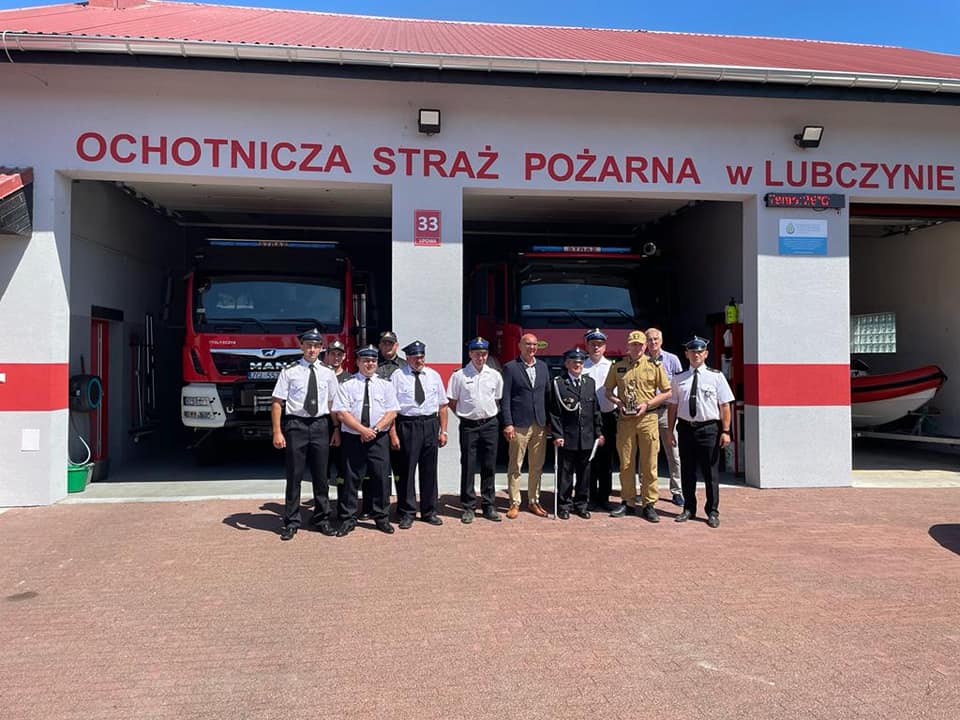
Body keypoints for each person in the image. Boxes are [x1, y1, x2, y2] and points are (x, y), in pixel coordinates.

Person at [270, 328, 341, 541]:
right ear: (301, 346)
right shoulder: (289, 371)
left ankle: (322, 519)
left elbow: (333, 403)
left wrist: (336, 428)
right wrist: (277, 432)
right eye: (308, 345)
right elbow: (277, 402)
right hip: (296, 425)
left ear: (321, 348)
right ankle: (291, 521)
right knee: (295, 475)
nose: (312, 350)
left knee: (321, 476)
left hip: (320, 425)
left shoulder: (327, 372)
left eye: (316, 346)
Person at [666, 335, 734, 529]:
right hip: (686, 428)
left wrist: (726, 431)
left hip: (709, 429)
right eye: (692, 352)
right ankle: (689, 508)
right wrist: (670, 431)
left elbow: (725, 405)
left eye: (699, 352)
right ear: (686, 354)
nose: (696, 355)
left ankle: (712, 511)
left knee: (710, 473)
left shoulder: (716, 376)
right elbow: (673, 406)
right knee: (687, 472)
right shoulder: (679, 378)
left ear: (706, 354)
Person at [604, 330, 672, 522]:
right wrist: (619, 403)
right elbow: (608, 391)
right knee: (626, 463)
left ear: (645, 346)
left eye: (640, 345)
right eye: (633, 344)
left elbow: (667, 392)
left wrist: (647, 405)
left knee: (649, 463)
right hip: (625, 420)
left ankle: (649, 504)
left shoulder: (654, 365)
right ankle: (628, 502)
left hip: (648, 419)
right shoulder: (618, 366)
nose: (637, 348)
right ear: (628, 345)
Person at [332, 345, 400, 536]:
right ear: (358, 362)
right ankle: (348, 519)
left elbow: (392, 412)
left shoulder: (386, 385)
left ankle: (381, 518)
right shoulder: (347, 385)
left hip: (378, 438)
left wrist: (374, 430)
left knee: (380, 478)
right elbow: (342, 413)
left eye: (373, 361)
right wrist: (362, 430)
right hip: (353, 438)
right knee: (351, 479)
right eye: (365, 361)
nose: (369, 364)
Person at [389, 340, 449, 528]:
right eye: (415, 357)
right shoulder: (398, 376)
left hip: (430, 425)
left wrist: (443, 431)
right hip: (407, 425)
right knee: (406, 470)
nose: (419, 360)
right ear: (407, 358)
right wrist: (393, 434)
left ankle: (429, 511)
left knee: (429, 470)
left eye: (422, 357)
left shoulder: (433, 376)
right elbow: (391, 408)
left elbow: (443, 406)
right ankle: (407, 512)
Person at [446, 337, 504, 524]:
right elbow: (452, 401)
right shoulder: (460, 375)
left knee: (489, 465)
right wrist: (464, 415)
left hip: (490, 424)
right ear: (470, 354)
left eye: (484, 354)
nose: (481, 357)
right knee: (468, 465)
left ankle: (489, 505)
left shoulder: (494, 375)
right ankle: (468, 506)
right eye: (477, 354)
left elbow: (497, 398)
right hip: (469, 426)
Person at [549, 347, 604, 519]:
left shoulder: (589, 383)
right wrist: (557, 435)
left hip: (586, 437)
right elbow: (555, 413)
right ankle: (564, 505)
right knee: (565, 473)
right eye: (574, 362)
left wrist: (598, 432)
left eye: (580, 362)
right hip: (568, 436)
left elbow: (595, 410)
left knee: (584, 474)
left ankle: (581, 504)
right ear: (567, 364)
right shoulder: (559, 383)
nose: (577, 365)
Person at [500, 333, 550, 519]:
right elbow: (505, 398)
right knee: (516, 465)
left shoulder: (543, 367)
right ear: (520, 346)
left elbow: (547, 395)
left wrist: (549, 422)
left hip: (540, 424)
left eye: (535, 344)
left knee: (537, 465)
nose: (532, 347)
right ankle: (514, 502)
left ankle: (533, 500)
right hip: (519, 424)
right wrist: (508, 423)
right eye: (528, 344)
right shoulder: (511, 368)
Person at [645, 327, 685, 507]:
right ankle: (645, 490)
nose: (653, 342)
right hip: (647, 412)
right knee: (647, 453)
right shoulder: (641, 360)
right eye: (649, 339)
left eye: (656, 339)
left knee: (673, 452)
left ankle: (677, 491)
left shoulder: (672, 360)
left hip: (666, 412)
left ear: (661, 341)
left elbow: (680, 385)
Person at [582, 328, 617, 511]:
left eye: (600, 344)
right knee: (589, 458)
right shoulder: (582, 366)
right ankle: (589, 496)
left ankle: (604, 497)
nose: (596, 347)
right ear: (587, 346)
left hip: (607, 417)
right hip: (587, 418)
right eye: (593, 344)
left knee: (606, 460)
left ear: (605, 347)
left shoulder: (612, 367)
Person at [324, 339, 351, 488]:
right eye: (333, 354)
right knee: (323, 463)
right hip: (325, 423)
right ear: (327, 355)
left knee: (343, 463)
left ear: (344, 356)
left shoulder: (350, 378)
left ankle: (342, 497)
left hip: (344, 425)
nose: (336, 357)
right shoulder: (321, 376)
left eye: (339, 354)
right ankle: (323, 497)